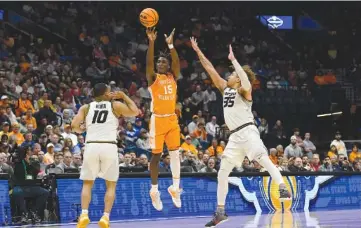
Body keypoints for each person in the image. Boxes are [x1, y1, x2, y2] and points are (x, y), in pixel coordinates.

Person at [190, 38, 291, 227]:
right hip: (235, 137)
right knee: (222, 172)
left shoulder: (245, 92)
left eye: (232, 73)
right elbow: (210, 69)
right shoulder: (225, 88)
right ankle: (220, 211)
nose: (228, 75)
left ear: (237, 77)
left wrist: (234, 61)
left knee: (262, 158)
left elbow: (246, 81)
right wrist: (197, 51)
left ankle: (282, 187)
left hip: (248, 130)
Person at [72, 83, 138, 228]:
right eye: (110, 92)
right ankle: (105, 217)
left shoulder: (86, 107)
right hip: (109, 146)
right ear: (106, 94)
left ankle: (84, 214)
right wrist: (124, 96)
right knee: (111, 185)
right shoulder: (115, 105)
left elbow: (74, 126)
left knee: (88, 183)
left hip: (91, 145)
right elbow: (135, 111)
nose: (112, 93)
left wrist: (81, 128)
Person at [145, 27, 182, 211]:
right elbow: (148, 65)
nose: (160, 63)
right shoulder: (153, 78)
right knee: (156, 156)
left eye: (163, 62)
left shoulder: (172, 75)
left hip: (172, 120)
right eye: (158, 61)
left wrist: (170, 45)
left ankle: (175, 188)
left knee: (176, 153)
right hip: (157, 120)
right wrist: (152, 42)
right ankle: (154, 190)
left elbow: (176, 62)